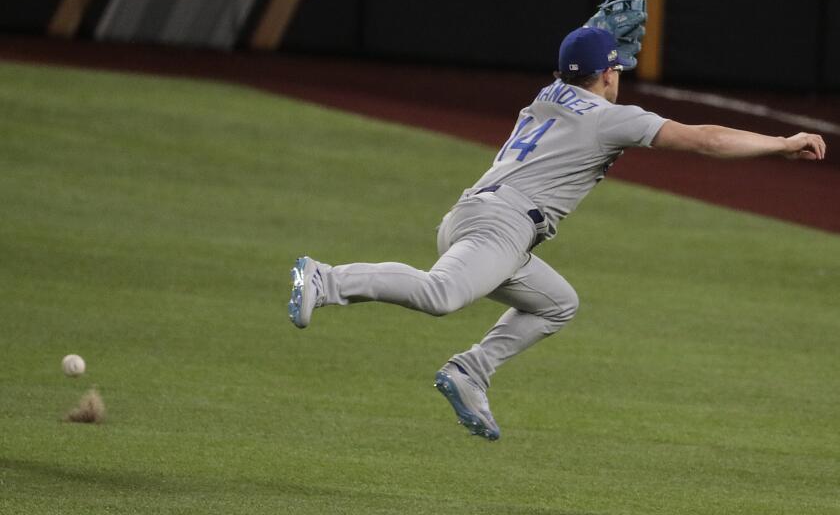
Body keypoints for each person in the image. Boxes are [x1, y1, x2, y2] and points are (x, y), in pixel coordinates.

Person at [287, 26, 826, 441]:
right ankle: (325, 278)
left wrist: (592, 37)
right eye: (617, 69)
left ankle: (471, 370)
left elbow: (580, 61)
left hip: (480, 219)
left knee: (556, 304)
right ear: (610, 75)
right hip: (500, 224)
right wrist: (780, 144)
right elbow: (704, 138)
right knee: (440, 294)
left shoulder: (548, 93)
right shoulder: (609, 117)